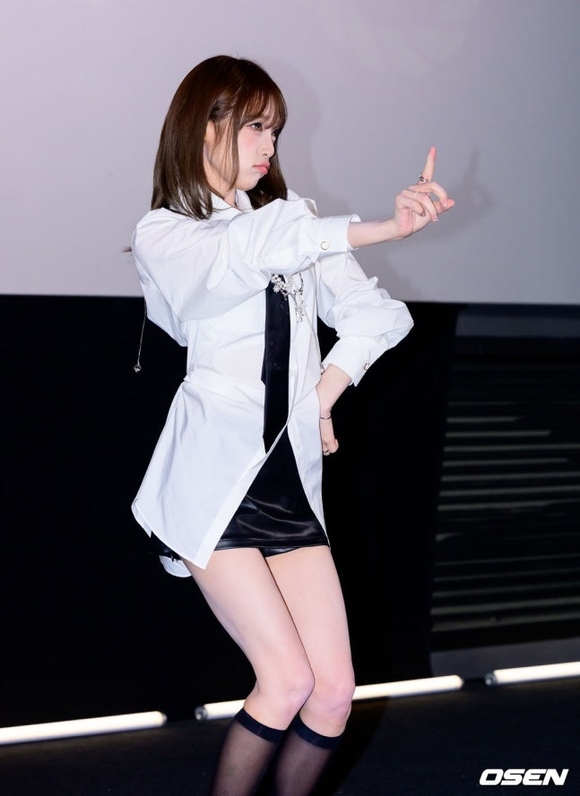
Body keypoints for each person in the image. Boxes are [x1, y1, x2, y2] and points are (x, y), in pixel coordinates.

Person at [130, 54, 454, 796]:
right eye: (255, 126)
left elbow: (376, 316)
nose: (270, 144)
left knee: (333, 693)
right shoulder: (167, 233)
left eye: (274, 129)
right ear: (205, 126)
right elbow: (245, 254)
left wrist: (324, 394)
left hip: (288, 481)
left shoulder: (291, 222)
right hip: (215, 483)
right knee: (284, 681)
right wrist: (381, 228)